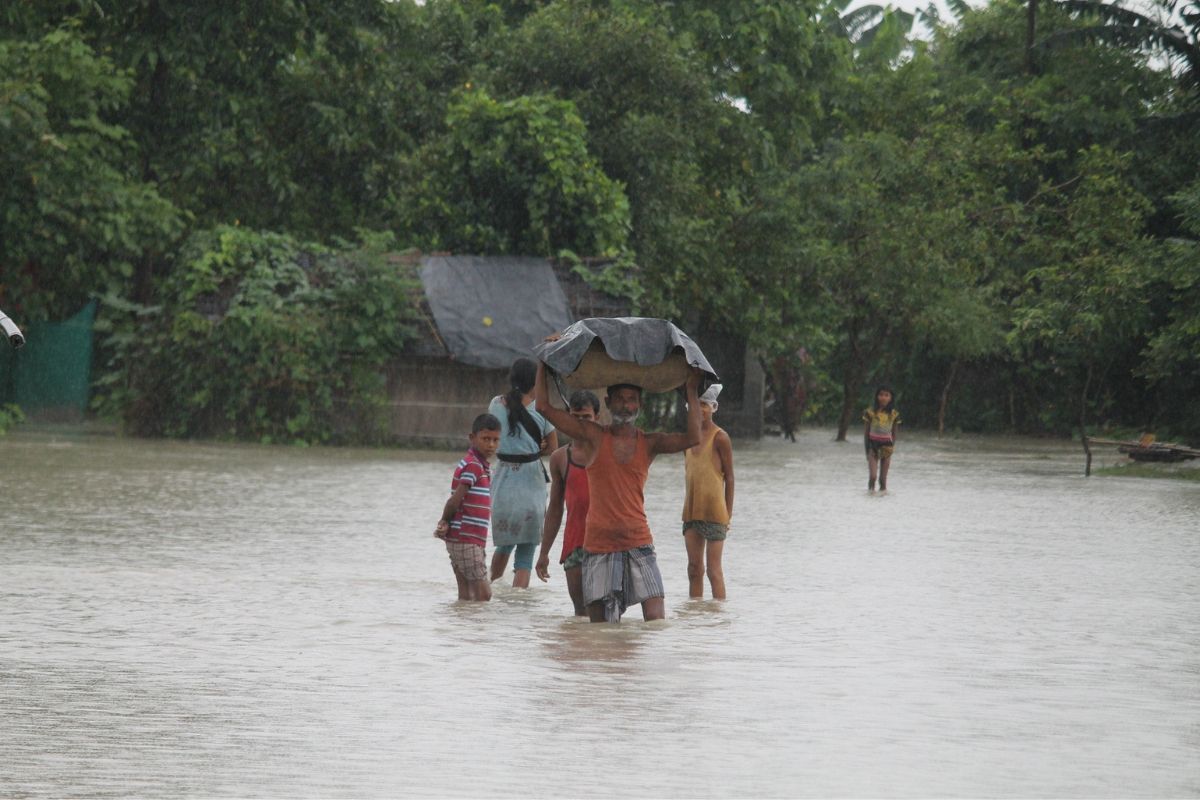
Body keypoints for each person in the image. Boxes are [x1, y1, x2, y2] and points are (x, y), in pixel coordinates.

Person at [534, 357, 703, 623]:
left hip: (638, 540)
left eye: (632, 399)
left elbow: (694, 437)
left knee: (656, 620)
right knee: (601, 630)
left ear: (640, 404)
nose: (626, 405)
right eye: (620, 399)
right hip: (599, 545)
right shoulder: (593, 436)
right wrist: (544, 362)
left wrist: (691, 390)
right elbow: (543, 407)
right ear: (608, 402)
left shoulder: (650, 442)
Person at [488, 358, 558, 588]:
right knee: (526, 556)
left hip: (503, 483)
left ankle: (489, 590)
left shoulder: (496, 404)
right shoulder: (542, 410)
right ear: (535, 383)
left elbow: (497, 435)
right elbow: (554, 449)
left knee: (504, 545)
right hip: (531, 484)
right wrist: (539, 446)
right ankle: (519, 601)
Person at [535, 390, 600, 616]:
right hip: (575, 544)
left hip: (608, 544)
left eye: (586, 417)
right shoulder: (560, 458)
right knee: (581, 615)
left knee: (607, 614)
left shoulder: (609, 453)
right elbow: (555, 508)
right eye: (575, 417)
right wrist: (544, 553)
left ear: (597, 418)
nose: (580, 423)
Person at [435, 413, 501, 601]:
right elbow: (455, 500)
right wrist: (444, 521)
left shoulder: (479, 465)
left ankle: (462, 621)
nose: (491, 445)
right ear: (472, 438)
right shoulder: (474, 466)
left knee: (466, 595)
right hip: (466, 537)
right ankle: (476, 623)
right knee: (484, 595)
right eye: (485, 439)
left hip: (464, 538)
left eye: (495, 440)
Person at [681, 383, 735, 600]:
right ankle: (696, 614)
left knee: (714, 571)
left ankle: (717, 614)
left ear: (714, 407)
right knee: (694, 569)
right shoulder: (688, 437)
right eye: (696, 404)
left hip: (715, 512)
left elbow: (729, 477)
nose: (700, 409)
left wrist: (728, 515)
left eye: (705, 404)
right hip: (691, 511)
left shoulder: (720, 437)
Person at [863, 385, 901, 492]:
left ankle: (883, 497)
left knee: (883, 480)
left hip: (887, 446)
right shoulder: (870, 412)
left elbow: (894, 434)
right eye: (881, 395)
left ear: (891, 398)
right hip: (872, 445)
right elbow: (866, 434)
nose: (883, 397)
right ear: (876, 396)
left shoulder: (894, 414)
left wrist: (892, 448)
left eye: (886, 395)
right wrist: (867, 451)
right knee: (873, 476)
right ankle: (870, 493)